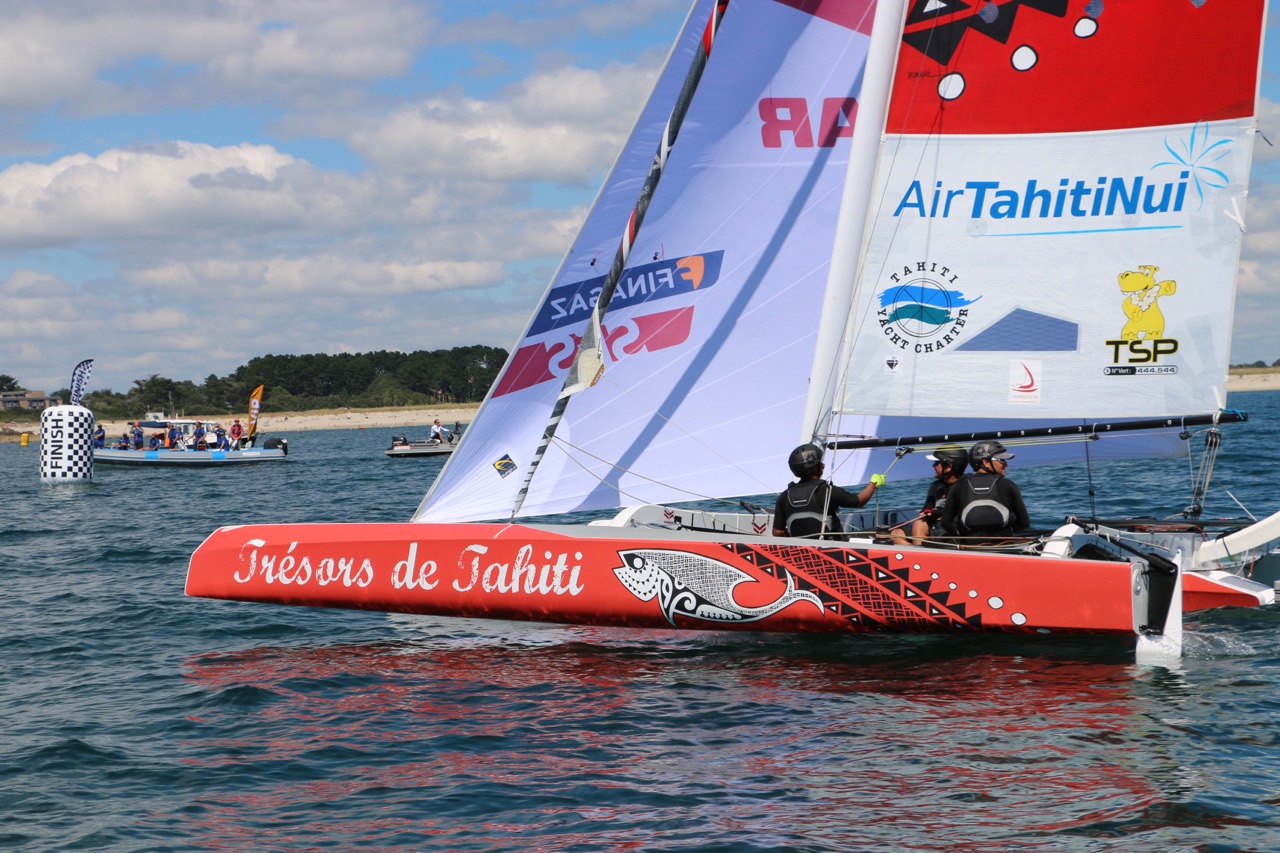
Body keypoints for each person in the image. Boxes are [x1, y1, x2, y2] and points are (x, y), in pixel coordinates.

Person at [772, 443, 885, 539]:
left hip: (803, 552)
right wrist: (873, 484)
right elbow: (860, 501)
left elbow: (777, 532)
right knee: (887, 533)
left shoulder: (784, 496)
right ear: (815, 468)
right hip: (834, 549)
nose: (823, 465)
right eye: (820, 463)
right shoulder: (826, 490)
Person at [938, 440, 1031, 540]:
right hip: (1003, 544)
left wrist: (963, 535)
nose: (1006, 464)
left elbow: (946, 522)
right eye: (1001, 460)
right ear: (986, 462)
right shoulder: (1008, 484)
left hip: (971, 545)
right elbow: (1024, 523)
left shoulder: (959, 485)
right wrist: (1006, 533)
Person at [889, 445, 967, 546]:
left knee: (919, 523)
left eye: (936, 463)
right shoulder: (936, 486)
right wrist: (927, 511)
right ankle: (918, 551)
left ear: (948, 467)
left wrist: (938, 512)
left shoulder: (967, 485)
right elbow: (928, 506)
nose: (933, 466)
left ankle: (918, 552)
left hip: (953, 528)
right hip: (934, 525)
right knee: (895, 533)